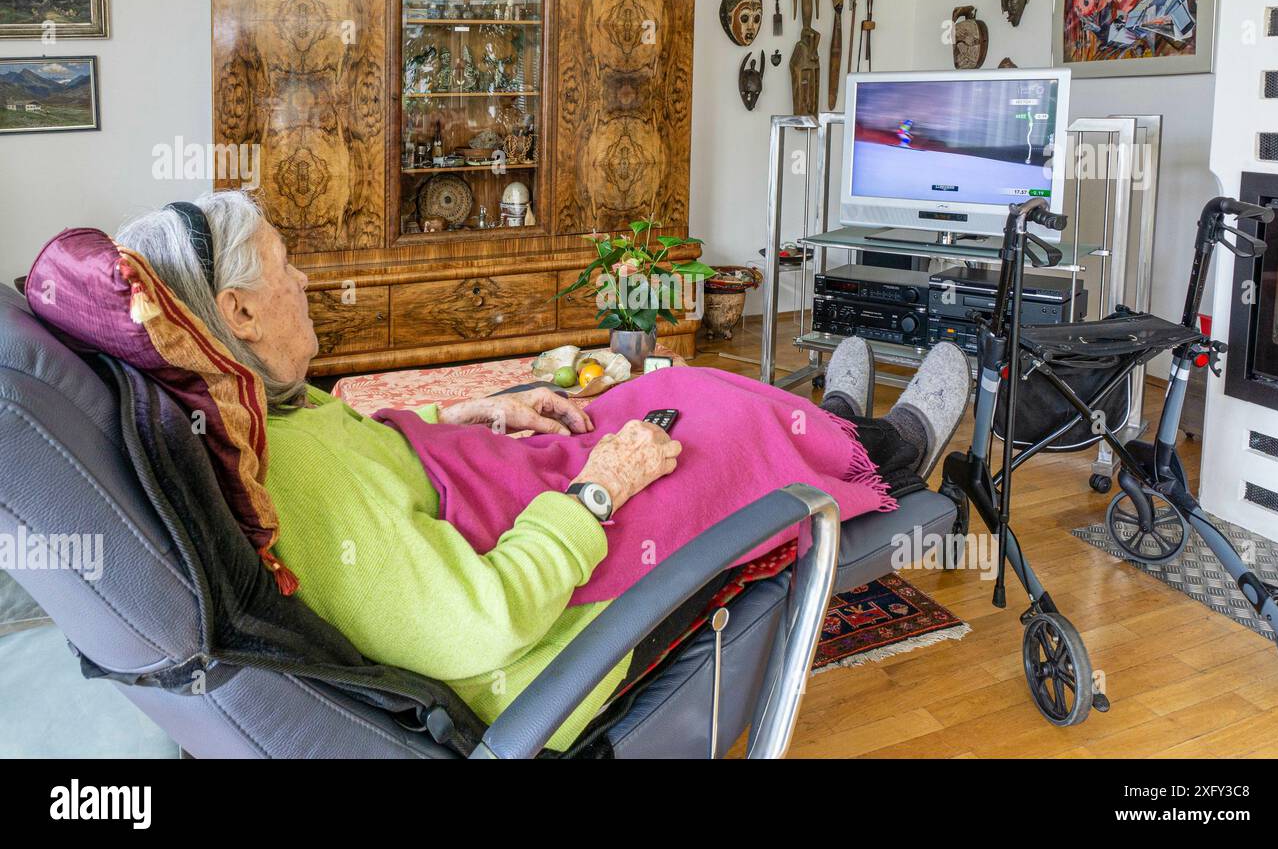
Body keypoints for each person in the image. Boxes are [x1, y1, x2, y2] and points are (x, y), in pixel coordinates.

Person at [116, 192, 969, 750]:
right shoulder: (296, 481)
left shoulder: (267, 415)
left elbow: (361, 449)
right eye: (284, 262)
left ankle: (841, 423)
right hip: (549, 614)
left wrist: (464, 414)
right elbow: (480, 623)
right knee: (715, 422)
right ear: (238, 313)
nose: (304, 276)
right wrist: (600, 486)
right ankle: (894, 446)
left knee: (665, 387)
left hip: (504, 494)